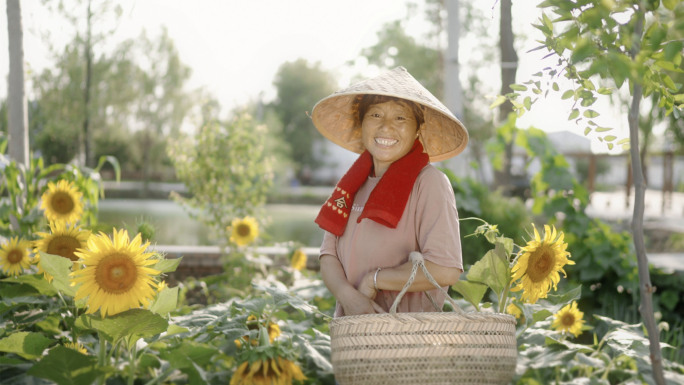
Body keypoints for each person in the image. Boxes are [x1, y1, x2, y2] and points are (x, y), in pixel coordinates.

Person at [311, 66, 469, 317]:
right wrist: (348, 297)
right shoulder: (351, 184)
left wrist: (374, 280)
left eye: (400, 117)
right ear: (361, 124)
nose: (386, 127)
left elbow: (445, 269)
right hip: (351, 333)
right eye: (375, 115)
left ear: (417, 129)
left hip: (408, 339)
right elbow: (328, 255)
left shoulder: (429, 184)